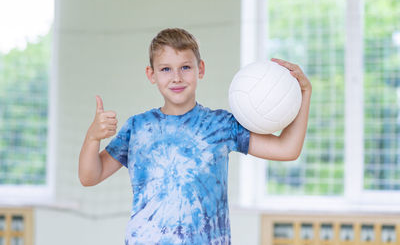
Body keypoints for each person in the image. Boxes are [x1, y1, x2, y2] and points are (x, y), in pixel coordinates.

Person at [78, 28, 312, 244]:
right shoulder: (137, 127)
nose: (176, 77)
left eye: (185, 67)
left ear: (200, 69)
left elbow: (287, 149)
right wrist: (92, 138)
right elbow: (90, 176)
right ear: (151, 74)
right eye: (166, 69)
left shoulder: (221, 125)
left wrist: (304, 92)